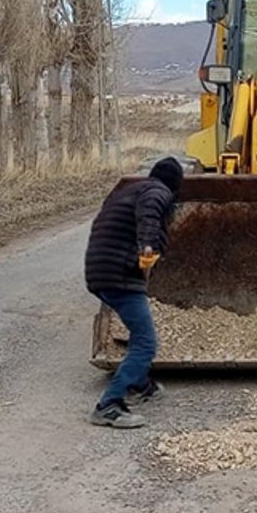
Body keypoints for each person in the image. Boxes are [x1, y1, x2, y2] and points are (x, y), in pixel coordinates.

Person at [85, 156, 184, 428]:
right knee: (146, 342)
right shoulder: (156, 191)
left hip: (100, 271)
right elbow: (151, 212)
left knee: (136, 329)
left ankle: (140, 385)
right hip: (119, 275)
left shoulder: (130, 190)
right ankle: (108, 405)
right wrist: (148, 246)